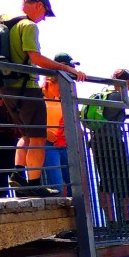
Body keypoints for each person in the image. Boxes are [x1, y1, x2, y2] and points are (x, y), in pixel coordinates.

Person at [0, 0, 86, 196]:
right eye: (45, 14)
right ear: (39, 6)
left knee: (26, 134)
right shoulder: (29, 26)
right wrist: (66, 69)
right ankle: (34, 184)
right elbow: (36, 58)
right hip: (26, 87)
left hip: (6, 87)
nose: (43, 19)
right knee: (38, 137)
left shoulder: (3, 20)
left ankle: (17, 176)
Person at [89, 68, 129, 226]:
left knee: (105, 181)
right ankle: (127, 220)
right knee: (127, 179)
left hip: (97, 143)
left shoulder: (103, 96)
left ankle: (111, 221)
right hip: (113, 143)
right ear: (128, 82)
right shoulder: (121, 96)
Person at [40, 53, 79, 195]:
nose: (72, 71)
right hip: (47, 143)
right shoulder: (39, 94)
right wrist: (45, 133)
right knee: (55, 183)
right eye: (70, 67)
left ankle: (74, 216)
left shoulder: (65, 95)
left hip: (65, 142)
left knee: (75, 184)